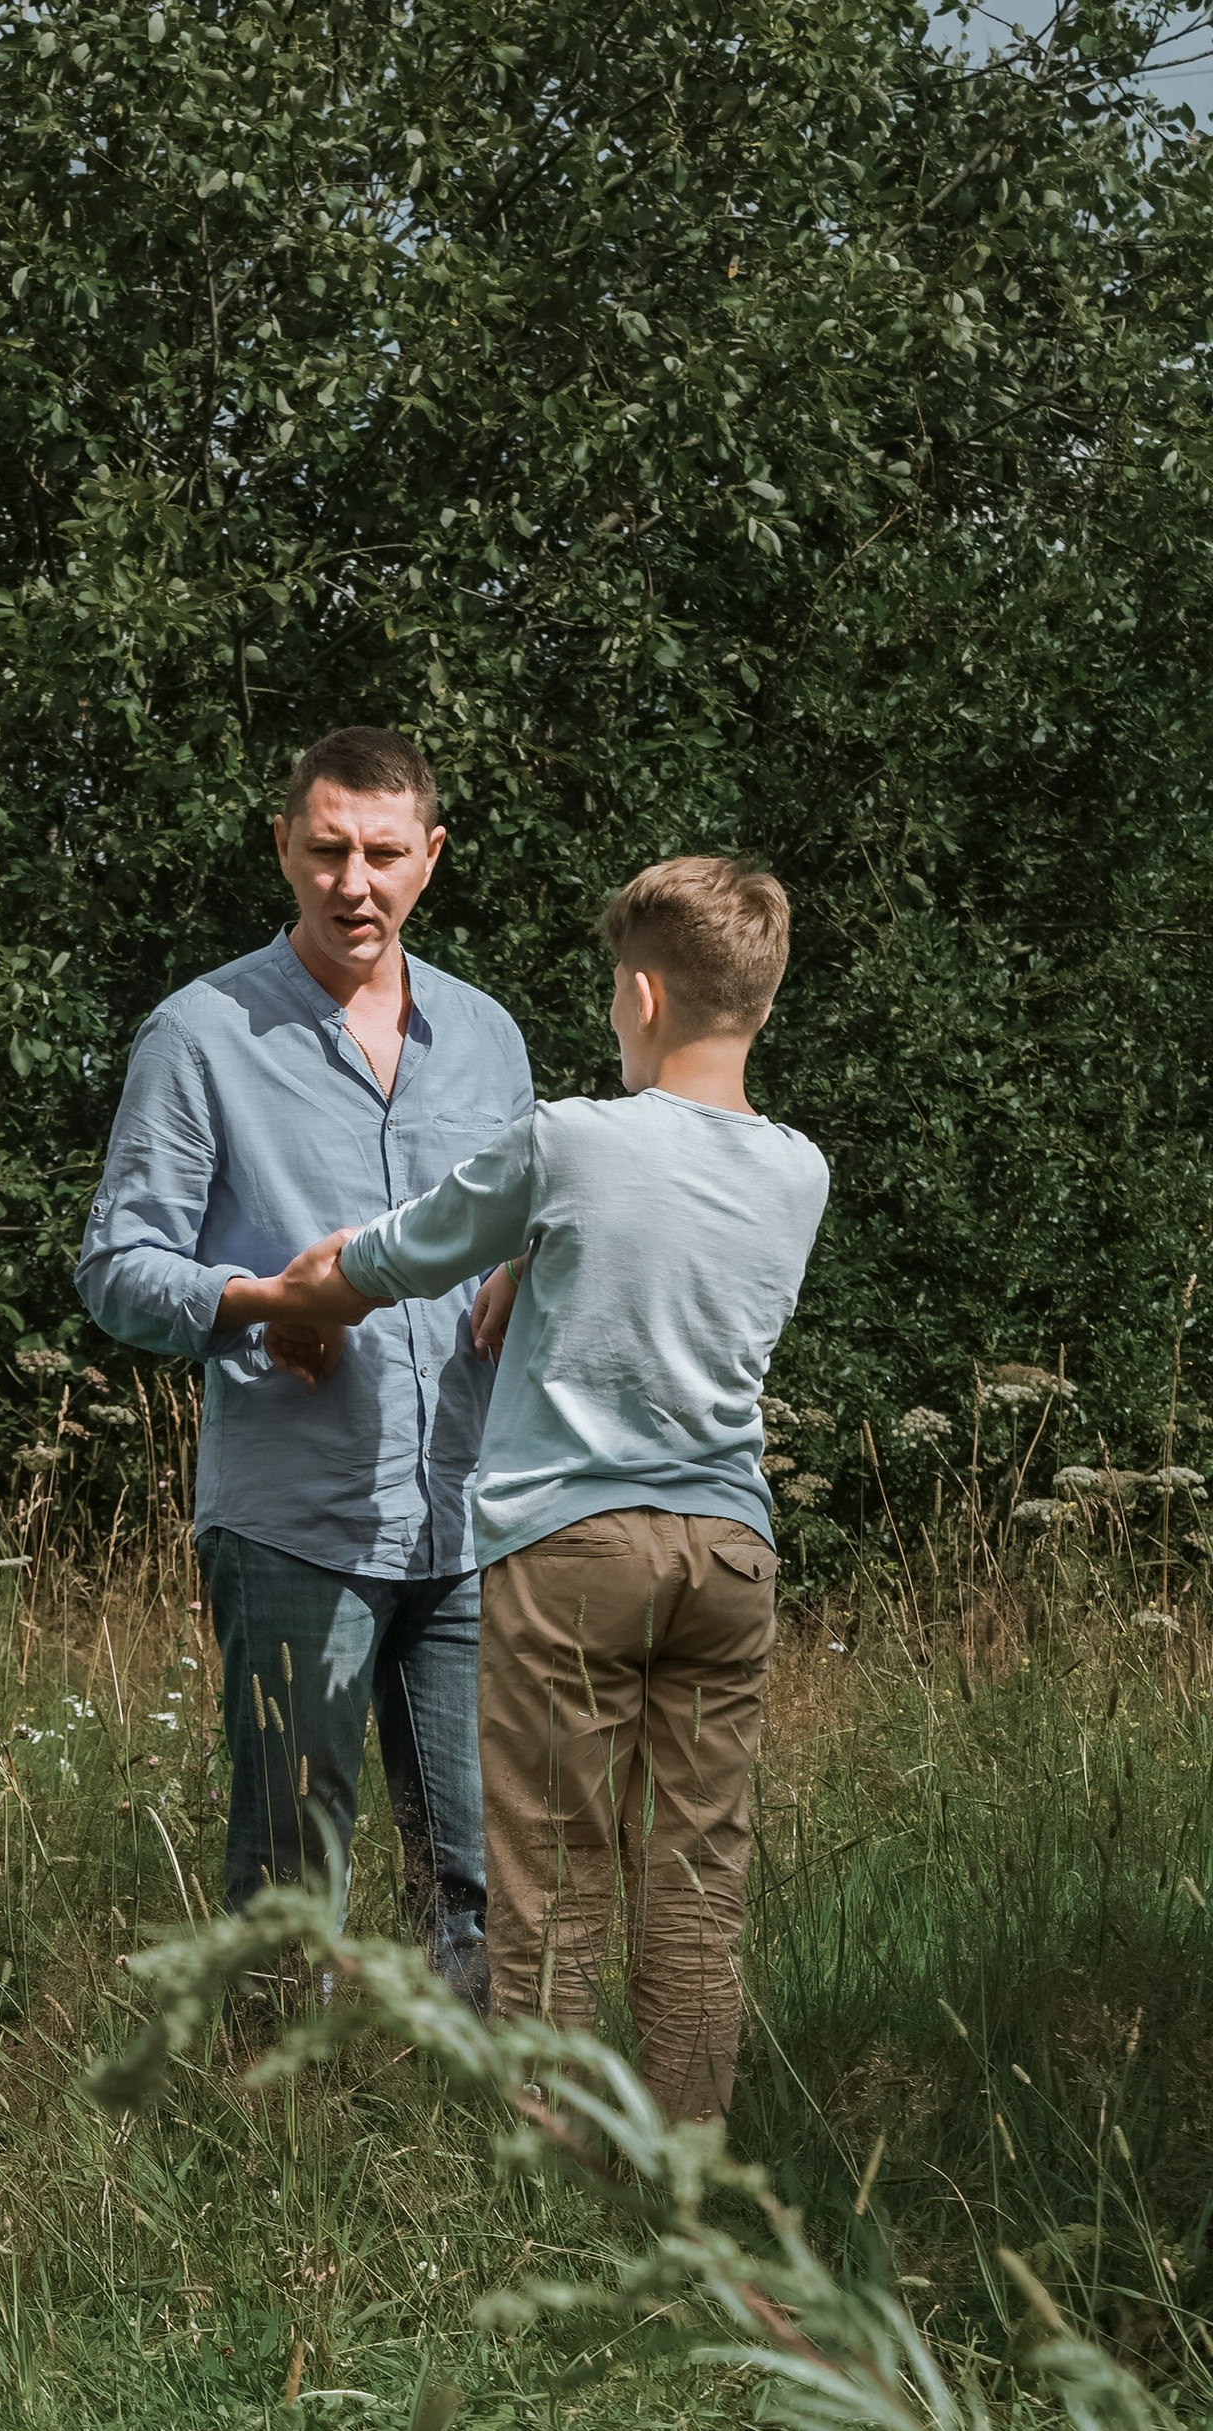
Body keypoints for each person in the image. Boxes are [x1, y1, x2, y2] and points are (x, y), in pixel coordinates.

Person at [242, 856, 828, 2124]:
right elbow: (647, 1248)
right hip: (729, 1550)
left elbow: (397, 1257)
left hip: (574, 1546)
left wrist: (299, 1297)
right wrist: (530, 1257)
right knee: (694, 1884)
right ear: (762, 1005)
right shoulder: (797, 1169)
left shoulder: (567, 1139)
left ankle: (565, 2184)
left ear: (640, 996)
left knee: (554, 1877)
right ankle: (682, 2180)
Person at [77, 725, 532, 1999]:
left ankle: (477, 2147)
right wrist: (257, 1298)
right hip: (293, 1519)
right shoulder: (199, 1033)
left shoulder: (491, 1040)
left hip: (462, 1515)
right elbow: (115, 1266)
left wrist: (523, 1269)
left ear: (430, 858)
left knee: (473, 1871)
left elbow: (523, 1230)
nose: (355, 883)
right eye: (327, 849)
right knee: (290, 1871)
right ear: (282, 847)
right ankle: (273, 2154)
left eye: (384, 853)